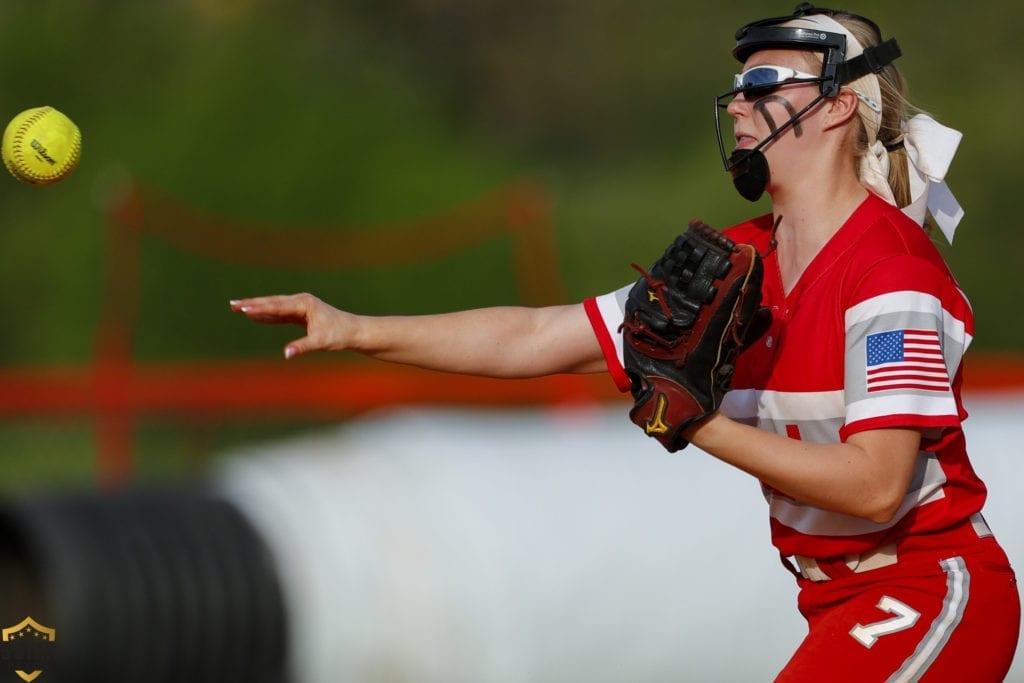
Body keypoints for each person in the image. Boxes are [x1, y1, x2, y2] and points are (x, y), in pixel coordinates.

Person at [231, 4, 1020, 680]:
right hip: (836, 599)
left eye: (760, 87)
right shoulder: (738, 266)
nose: (737, 106)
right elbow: (538, 334)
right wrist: (357, 328)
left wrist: (701, 424)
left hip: (930, 588)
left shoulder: (889, 269)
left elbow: (877, 488)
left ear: (838, 107)